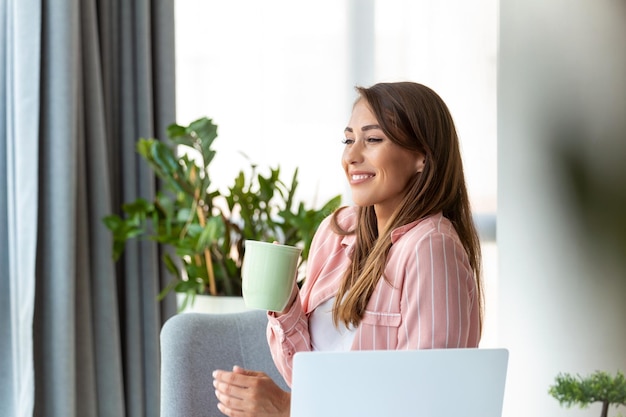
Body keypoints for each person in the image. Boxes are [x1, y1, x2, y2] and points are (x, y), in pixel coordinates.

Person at [212, 81, 484, 417]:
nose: (351, 157)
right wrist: (285, 305)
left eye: (372, 139)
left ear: (422, 157)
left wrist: (286, 409)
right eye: (348, 139)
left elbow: (428, 404)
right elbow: (307, 377)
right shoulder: (338, 231)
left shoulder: (430, 247)